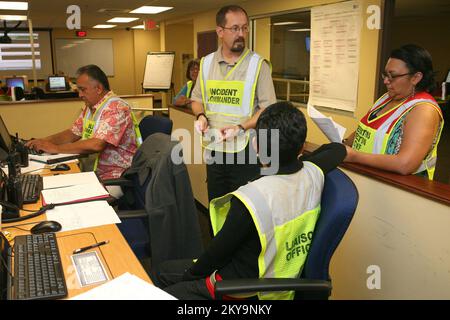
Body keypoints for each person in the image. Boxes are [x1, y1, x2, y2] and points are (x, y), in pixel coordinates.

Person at [152, 102, 347, 300]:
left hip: (240, 290)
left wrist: (189, 277)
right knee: (165, 270)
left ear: (256, 146)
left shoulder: (253, 197)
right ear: (302, 147)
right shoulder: (313, 172)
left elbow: (218, 253)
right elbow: (337, 150)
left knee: (163, 280)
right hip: (280, 280)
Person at [190, 5, 277, 203]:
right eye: (235, 28)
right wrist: (200, 116)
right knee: (217, 204)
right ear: (220, 31)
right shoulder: (206, 63)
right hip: (215, 148)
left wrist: (241, 127)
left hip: (245, 150)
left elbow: (268, 108)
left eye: (245, 28)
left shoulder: (257, 65)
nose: (241, 34)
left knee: (243, 208)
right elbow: (196, 100)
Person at [343, 44, 444, 180]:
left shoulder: (423, 110)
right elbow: (368, 130)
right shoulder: (386, 98)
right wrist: (344, 143)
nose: (385, 81)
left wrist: (354, 156)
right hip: (369, 179)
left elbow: (405, 164)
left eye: (393, 76)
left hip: (399, 189)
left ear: (416, 77)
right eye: (385, 74)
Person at [26, 65, 142, 180]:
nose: (80, 94)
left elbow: (97, 144)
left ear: (98, 89)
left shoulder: (116, 108)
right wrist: (43, 141)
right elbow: (73, 133)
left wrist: (56, 148)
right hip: (93, 171)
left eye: (83, 89)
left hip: (115, 175)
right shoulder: (91, 107)